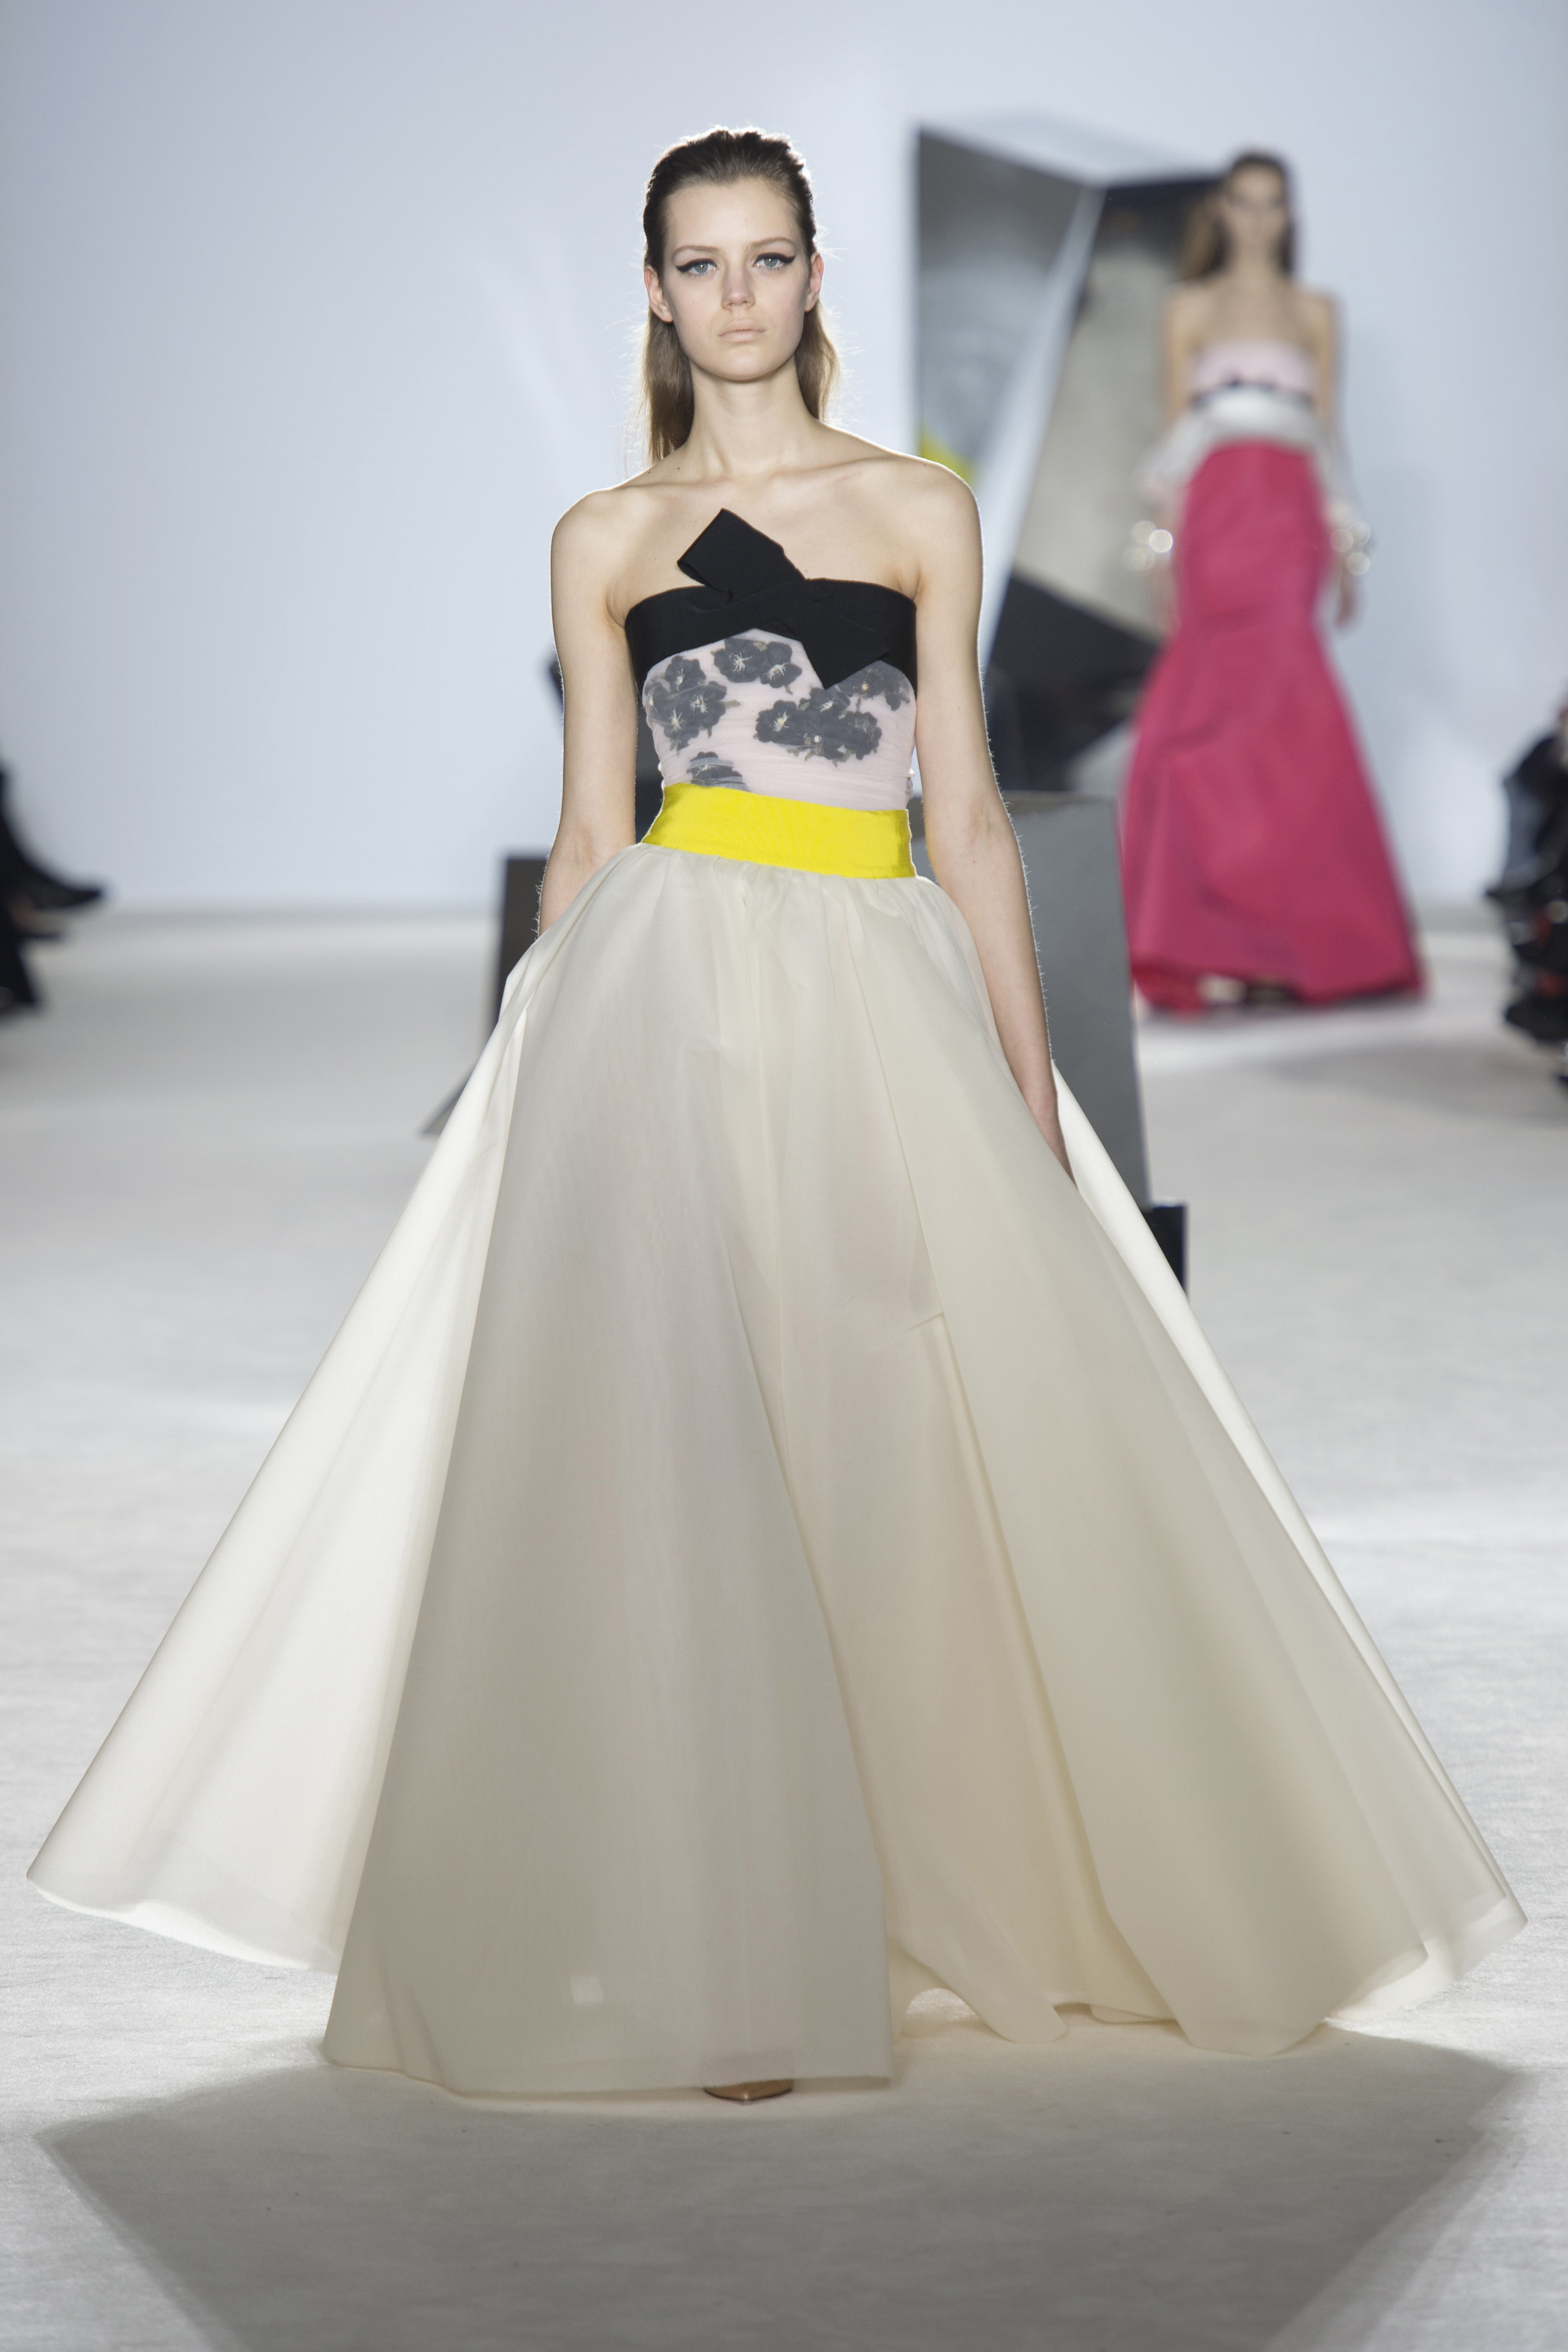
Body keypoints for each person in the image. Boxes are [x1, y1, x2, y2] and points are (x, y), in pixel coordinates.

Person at [31, 130, 1519, 2103]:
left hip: (875, 978)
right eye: (698, 262)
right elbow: (589, 833)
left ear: (813, 276)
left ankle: (901, 1890)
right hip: (658, 985)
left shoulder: (915, 508)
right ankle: (725, 1939)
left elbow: (965, 815)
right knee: (684, 1441)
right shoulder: (600, 537)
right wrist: (519, 1083)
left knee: (891, 1426)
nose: (733, 294)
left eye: (764, 257)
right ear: (654, 291)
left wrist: (1027, 1091)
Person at [1121, 152, 1421, 1012]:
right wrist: (1161, 555)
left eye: (1271, 204)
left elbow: (1329, 436)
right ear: (1221, 210)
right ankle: (1228, 942)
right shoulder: (1188, 308)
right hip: (1217, 518)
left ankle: (1295, 947)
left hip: (1289, 519)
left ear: (1288, 214)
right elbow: (1172, 441)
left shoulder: (1313, 310)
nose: (1257, 217)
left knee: (1286, 717)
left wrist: (1347, 548)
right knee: (1214, 718)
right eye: (1243, 202)